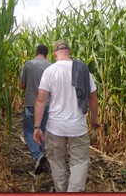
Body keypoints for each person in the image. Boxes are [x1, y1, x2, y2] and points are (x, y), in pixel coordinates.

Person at [33, 40, 101, 192]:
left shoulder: (50, 71)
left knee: (57, 162)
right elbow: (93, 96)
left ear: (55, 54)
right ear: (69, 51)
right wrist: (95, 118)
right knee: (80, 162)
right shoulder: (83, 70)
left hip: (55, 127)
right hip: (78, 127)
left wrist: (37, 127)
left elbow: (41, 100)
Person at [19, 44, 51, 175]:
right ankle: (41, 156)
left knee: (28, 132)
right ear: (47, 54)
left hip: (31, 104)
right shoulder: (50, 66)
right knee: (42, 130)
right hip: (46, 104)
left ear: (36, 52)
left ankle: (38, 156)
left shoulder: (28, 64)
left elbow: (21, 85)